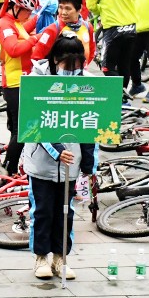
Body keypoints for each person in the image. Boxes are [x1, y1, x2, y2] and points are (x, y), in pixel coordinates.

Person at [26, 34, 97, 281]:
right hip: (41, 163)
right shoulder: (37, 80)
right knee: (42, 211)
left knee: (65, 212)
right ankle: (40, 258)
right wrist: (57, 150)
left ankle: (60, 257)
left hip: (71, 164)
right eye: (68, 65)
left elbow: (91, 125)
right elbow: (34, 121)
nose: (73, 71)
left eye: (78, 65)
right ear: (55, 59)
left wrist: (88, 163)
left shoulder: (87, 83)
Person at [0, 0, 42, 174]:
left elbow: (23, 30)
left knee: (19, 130)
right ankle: (9, 169)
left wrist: (43, 22)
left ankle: (9, 168)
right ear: (16, 7)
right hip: (15, 84)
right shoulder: (5, 24)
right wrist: (36, 38)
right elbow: (14, 49)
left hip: (22, 82)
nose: (29, 15)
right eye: (28, 11)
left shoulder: (14, 23)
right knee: (21, 131)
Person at [32, 0, 96, 67]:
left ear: (79, 9)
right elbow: (37, 57)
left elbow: (92, 52)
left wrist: (81, 68)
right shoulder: (52, 30)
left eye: (68, 9)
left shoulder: (88, 27)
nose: (63, 12)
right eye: (61, 7)